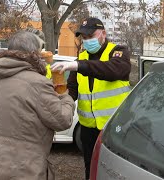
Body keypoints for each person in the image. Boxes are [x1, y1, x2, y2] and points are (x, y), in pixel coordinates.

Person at [0, 30, 75, 180]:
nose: (44, 53)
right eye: (41, 48)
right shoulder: (37, 82)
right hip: (24, 166)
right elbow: (62, 120)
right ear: (33, 52)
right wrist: (65, 97)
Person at [51, 17, 131, 180]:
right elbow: (73, 89)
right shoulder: (81, 59)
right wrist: (60, 100)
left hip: (114, 126)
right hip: (88, 128)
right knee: (91, 166)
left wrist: (80, 66)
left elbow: (113, 70)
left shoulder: (118, 52)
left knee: (115, 169)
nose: (87, 41)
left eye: (91, 36)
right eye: (84, 38)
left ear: (103, 33)